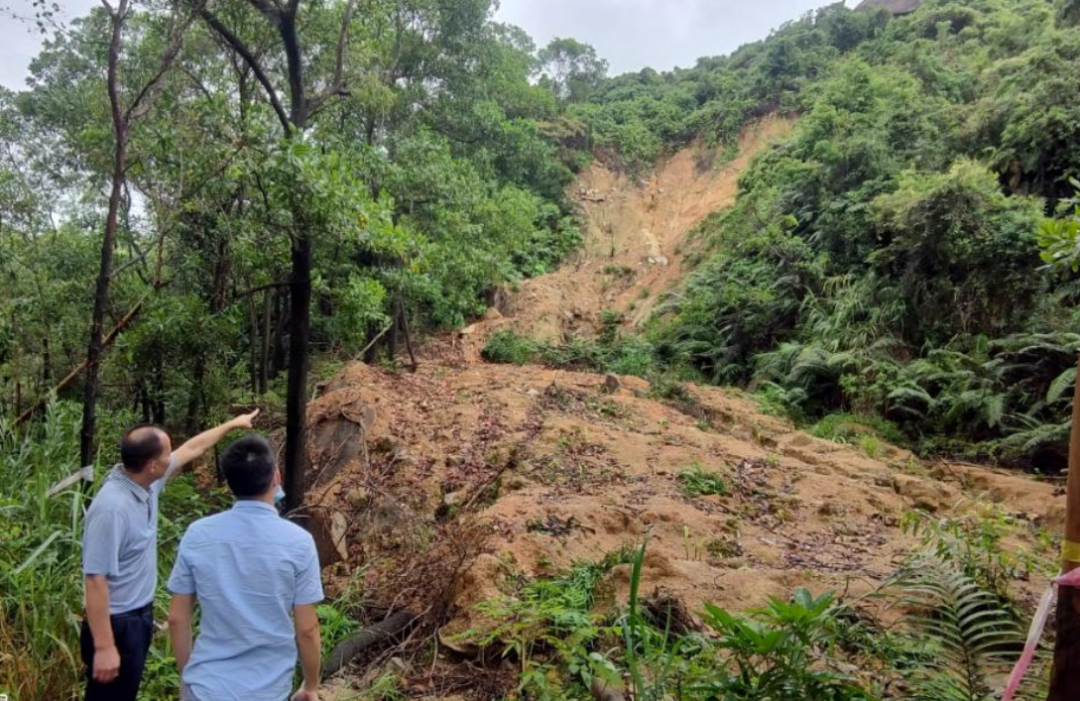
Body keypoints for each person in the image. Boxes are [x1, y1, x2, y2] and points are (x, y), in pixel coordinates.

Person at [81, 410, 260, 701]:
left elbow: (192, 448)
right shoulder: (111, 509)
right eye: (167, 453)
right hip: (115, 625)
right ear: (152, 465)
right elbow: (94, 580)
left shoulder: (147, 483)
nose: (172, 457)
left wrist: (232, 424)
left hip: (137, 618)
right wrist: (104, 647)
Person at [167, 434, 323, 701]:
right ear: (276, 477)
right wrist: (310, 686)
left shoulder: (198, 534)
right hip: (268, 690)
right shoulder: (299, 542)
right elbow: (307, 630)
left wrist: (187, 678)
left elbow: (177, 618)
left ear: (229, 484)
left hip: (204, 687)